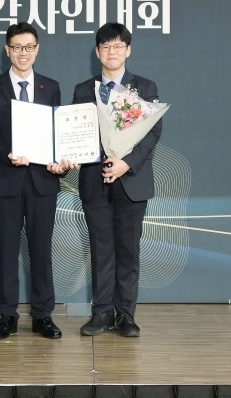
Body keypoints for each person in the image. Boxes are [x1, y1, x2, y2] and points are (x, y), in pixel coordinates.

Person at [0, 22, 66, 340]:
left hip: (42, 181)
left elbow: (58, 133)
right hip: (6, 180)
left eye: (29, 47)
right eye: (17, 47)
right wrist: (7, 153)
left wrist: (61, 161)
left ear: (37, 49)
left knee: (42, 252)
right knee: (6, 252)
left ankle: (42, 316)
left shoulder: (51, 87)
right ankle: (7, 316)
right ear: (7, 50)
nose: (23, 53)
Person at [71, 22, 161, 337]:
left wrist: (126, 164)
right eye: (106, 46)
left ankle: (125, 315)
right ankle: (101, 314)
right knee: (101, 249)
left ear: (128, 50)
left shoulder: (144, 87)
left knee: (128, 250)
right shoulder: (83, 90)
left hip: (132, 181)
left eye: (118, 46)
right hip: (94, 182)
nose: (112, 51)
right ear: (97, 52)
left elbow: (152, 133)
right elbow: (76, 133)